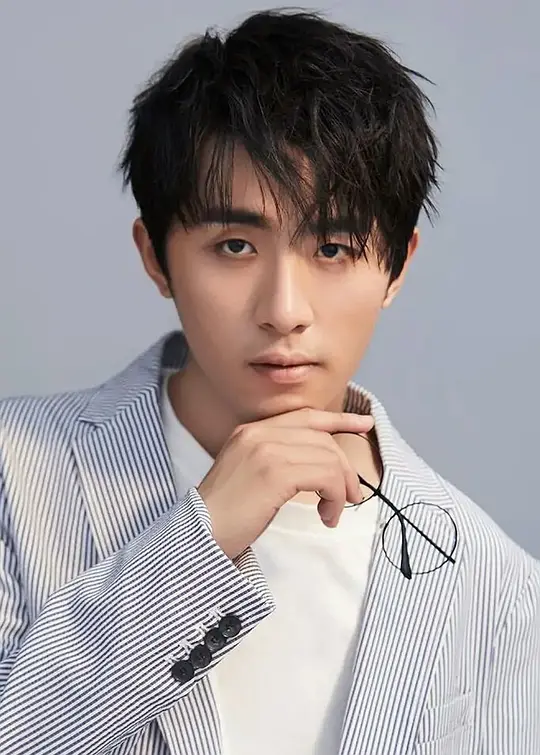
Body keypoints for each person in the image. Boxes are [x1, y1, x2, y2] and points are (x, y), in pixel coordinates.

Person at [0, 8, 538, 755]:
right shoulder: (15, 473)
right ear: (155, 256)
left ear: (397, 266)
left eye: (333, 248)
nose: (284, 311)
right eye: (234, 245)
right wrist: (201, 538)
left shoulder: (500, 588)